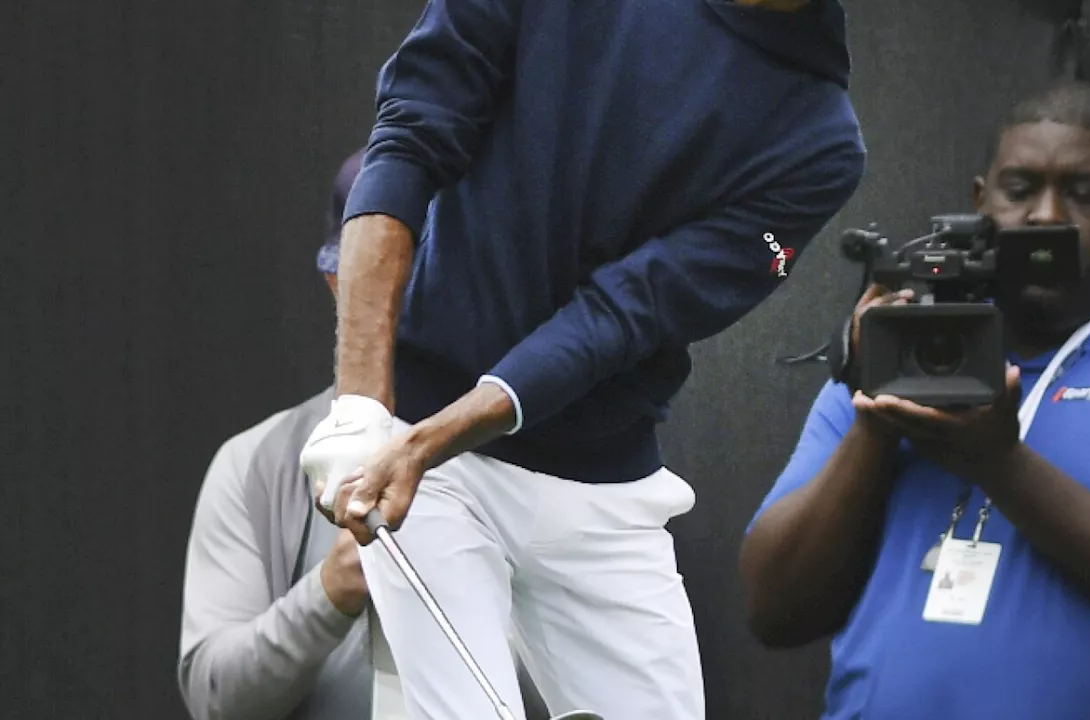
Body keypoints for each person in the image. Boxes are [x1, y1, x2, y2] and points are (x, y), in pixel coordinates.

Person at [295, 0, 868, 718]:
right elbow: (411, 133)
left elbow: (629, 309)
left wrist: (427, 440)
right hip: (423, 447)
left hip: (594, 481)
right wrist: (361, 412)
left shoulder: (819, 140)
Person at [739, 80, 1090, 719]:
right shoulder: (899, 350)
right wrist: (878, 422)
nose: (1047, 215)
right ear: (980, 202)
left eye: (1082, 192)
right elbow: (774, 611)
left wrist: (998, 462)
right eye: (1020, 189)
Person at [176, 151, 548, 720]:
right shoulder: (258, 464)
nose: (412, 300)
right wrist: (329, 592)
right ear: (336, 282)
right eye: (381, 272)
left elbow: (602, 682)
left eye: (437, 274)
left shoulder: (551, 453)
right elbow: (213, 697)